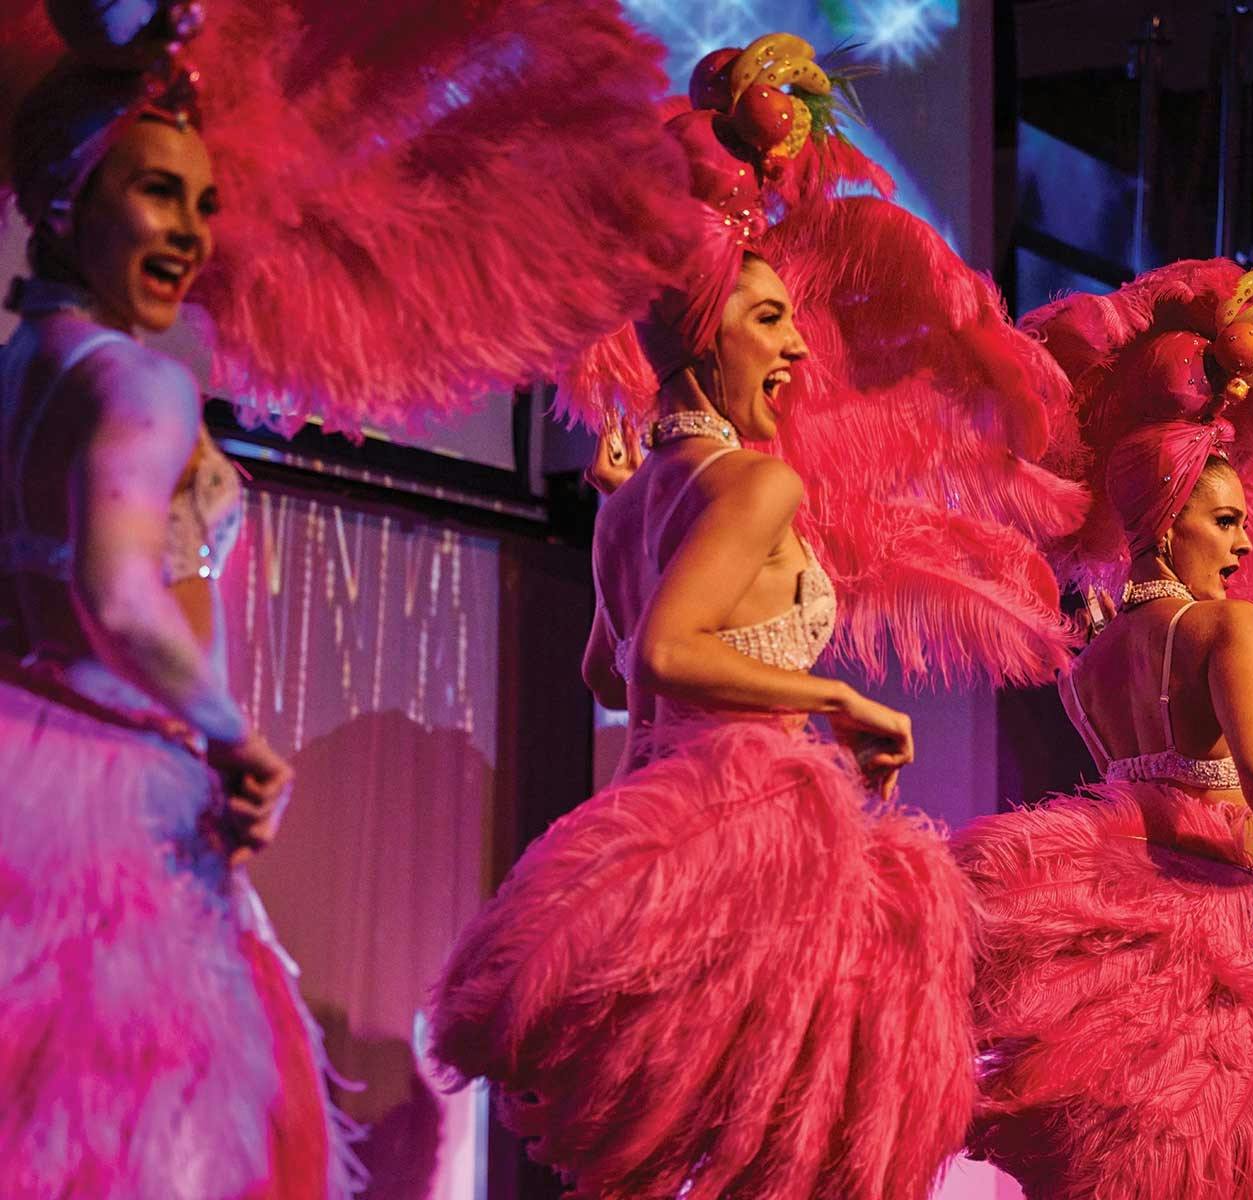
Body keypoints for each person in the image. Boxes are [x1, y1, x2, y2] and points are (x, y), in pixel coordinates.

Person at [429, 95, 979, 1200]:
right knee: (783, 1145)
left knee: (709, 1140)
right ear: (702, 332)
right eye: (769, 320)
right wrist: (836, 697)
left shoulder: (633, 502)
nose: (796, 345)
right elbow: (661, 659)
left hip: (660, 816)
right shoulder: (755, 482)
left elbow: (604, 667)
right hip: (758, 829)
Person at [0, 10, 355, 1197]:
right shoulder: (138, 380)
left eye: (204, 204)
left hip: (22, 753)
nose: (192, 234)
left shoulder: (20, 365)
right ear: (67, 201)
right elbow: (117, 593)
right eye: (157, 193)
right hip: (115, 798)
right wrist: (230, 733)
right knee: (136, 1140)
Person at [952, 411, 1253, 1199]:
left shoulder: (1087, 662)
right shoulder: (1229, 625)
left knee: (1128, 1157)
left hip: (1119, 928)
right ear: (1164, 525)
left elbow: (1132, 795)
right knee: (1227, 1157)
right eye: (1225, 521)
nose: (1244, 545)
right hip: (1215, 930)